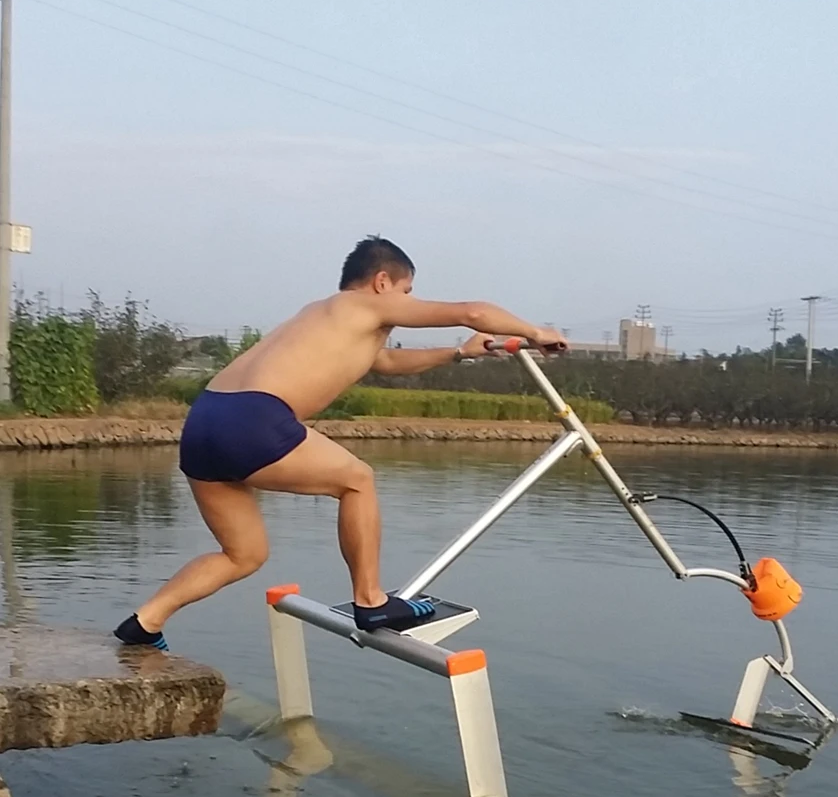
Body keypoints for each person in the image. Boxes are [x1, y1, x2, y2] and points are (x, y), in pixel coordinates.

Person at [114, 236, 568, 650]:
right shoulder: (365, 305)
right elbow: (472, 311)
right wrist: (537, 331)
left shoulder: (322, 314)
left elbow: (385, 362)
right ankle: (370, 600)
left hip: (206, 418)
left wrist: (458, 353)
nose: (405, 305)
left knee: (243, 554)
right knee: (357, 480)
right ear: (382, 281)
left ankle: (146, 622)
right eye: (405, 294)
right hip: (254, 416)